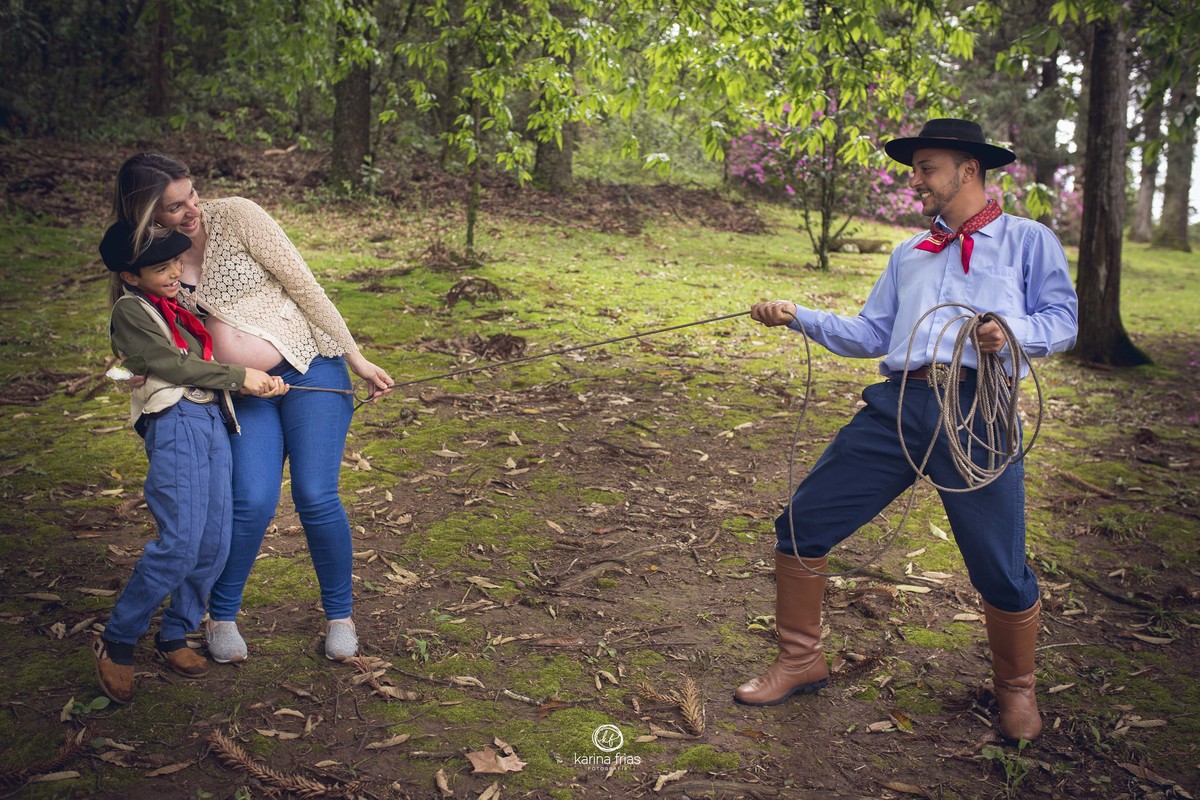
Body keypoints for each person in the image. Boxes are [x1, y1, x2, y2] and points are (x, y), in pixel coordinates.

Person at [736, 119, 1078, 744]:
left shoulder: (1028, 240)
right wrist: (797, 316)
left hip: (978, 412)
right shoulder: (908, 253)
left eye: (926, 168)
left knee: (1000, 568)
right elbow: (873, 332)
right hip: (898, 406)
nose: (914, 180)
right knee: (803, 523)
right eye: (914, 169)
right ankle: (800, 659)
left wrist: (1011, 332)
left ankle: (1016, 690)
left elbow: (1063, 320)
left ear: (968, 170)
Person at [112, 153, 395, 663]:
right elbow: (140, 339)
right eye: (175, 207)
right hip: (242, 390)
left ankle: (340, 616)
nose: (192, 210)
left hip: (310, 366)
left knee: (315, 494)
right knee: (251, 499)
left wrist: (355, 357)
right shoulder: (144, 262)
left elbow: (304, 285)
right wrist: (133, 368)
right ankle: (221, 616)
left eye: (192, 195)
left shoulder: (237, 216)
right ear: (147, 213)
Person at [95, 222, 287, 703]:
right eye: (162, 268)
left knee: (214, 541)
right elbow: (168, 364)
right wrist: (241, 375)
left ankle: (175, 632)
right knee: (180, 541)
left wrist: (262, 381)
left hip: (212, 420)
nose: (175, 273)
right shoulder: (130, 309)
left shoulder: (179, 305)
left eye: (177, 262)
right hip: (176, 422)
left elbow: (151, 361)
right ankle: (119, 639)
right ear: (131, 276)